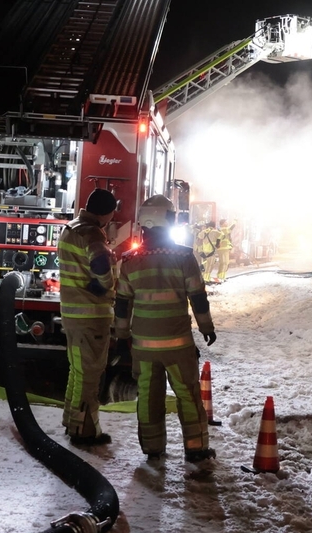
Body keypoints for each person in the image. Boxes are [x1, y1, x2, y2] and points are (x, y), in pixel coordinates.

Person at [114, 194, 218, 463]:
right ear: (167, 220)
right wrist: (206, 327)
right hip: (178, 346)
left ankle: (152, 448)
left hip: (144, 348)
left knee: (148, 397)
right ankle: (196, 448)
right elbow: (198, 297)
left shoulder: (130, 261)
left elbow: (122, 304)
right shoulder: (184, 256)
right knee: (188, 395)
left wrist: (121, 336)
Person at [59, 187, 118, 446]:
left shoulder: (70, 228)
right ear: (106, 213)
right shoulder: (92, 233)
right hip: (91, 315)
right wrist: (105, 284)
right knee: (90, 374)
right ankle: (84, 431)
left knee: (77, 371)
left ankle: (72, 421)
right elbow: (101, 266)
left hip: (72, 314)